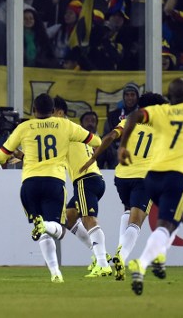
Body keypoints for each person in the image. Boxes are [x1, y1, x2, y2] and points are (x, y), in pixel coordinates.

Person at [120, 78, 183, 296]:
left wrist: (122, 146)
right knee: (166, 224)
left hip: (152, 178)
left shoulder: (161, 111)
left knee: (178, 216)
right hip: (177, 177)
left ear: (170, 95)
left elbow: (135, 116)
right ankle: (143, 262)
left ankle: (161, 255)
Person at [0, 93, 102, 283]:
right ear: (53, 111)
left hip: (30, 184)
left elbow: (0, 157)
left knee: (43, 232)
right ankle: (45, 230)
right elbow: (96, 141)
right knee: (58, 230)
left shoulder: (24, 127)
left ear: (33, 111)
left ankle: (55, 273)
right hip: (54, 183)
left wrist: (21, 155)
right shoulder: (65, 125)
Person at [82, 92, 168, 281]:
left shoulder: (129, 121)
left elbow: (110, 137)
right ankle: (121, 257)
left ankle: (119, 257)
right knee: (137, 221)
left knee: (128, 211)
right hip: (145, 177)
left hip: (122, 176)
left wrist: (92, 159)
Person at [53, 97, 111, 278]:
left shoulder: (64, 130)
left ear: (60, 113)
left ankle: (102, 264)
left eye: (51, 113)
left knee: (89, 219)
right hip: (92, 179)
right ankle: (99, 254)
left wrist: (24, 155)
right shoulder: (75, 130)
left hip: (86, 180)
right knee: (69, 216)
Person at [101, 82, 141, 168]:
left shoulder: (142, 115)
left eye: (132, 95)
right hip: (116, 155)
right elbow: (107, 135)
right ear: (123, 97)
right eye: (127, 95)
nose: (129, 98)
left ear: (137, 97)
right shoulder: (113, 116)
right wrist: (116, 153)